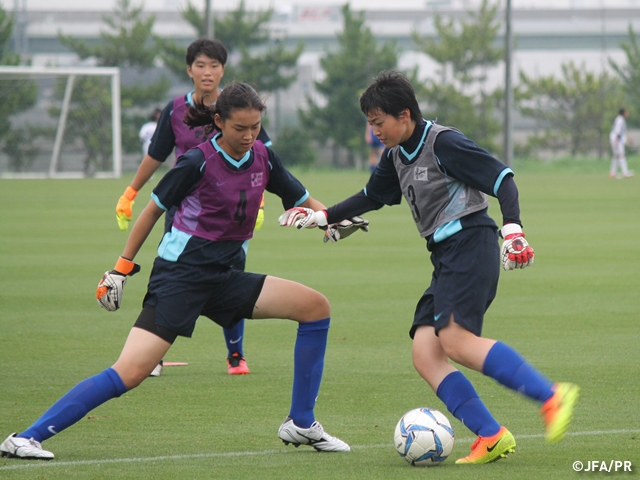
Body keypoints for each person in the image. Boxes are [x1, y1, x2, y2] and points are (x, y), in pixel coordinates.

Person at [0, 83, 350, 461]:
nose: (249, 136)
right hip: (180, 278)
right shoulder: (196, 162)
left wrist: (332, 220)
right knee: (131, 372)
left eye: (255, 127)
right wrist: (120, 270)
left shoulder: (263, 156)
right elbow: (152, 211)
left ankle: (300, 422)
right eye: (239, 128)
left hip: (224, 276)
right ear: (218, 122)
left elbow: (301, 200)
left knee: (315, 308)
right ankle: (27, 437)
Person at [280, 70, 580, 465]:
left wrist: (513, 230)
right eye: (370, 124)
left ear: (404, 115)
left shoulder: (444, 142)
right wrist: (321, 218)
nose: (375, 131)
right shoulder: (394, 156)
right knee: (425, 352)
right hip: (445, 256)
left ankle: (551, 396)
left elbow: (503, 177)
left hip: (471, 244)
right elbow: (370, 197)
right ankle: (491, 435)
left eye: (378, 122)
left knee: (456, 341)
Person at [116, 38, 271, 376]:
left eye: (214, 65)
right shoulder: (175, 110)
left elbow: (266, 157)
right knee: (167, 278)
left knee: (234, 278)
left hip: (231, 215)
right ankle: (151, 354)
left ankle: (235, 355)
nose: (207, 72)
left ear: (223, 70)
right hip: (183, 215)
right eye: (200, 65)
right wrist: (131, 192)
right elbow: (156, 156)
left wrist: (257, 202)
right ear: (189, 70)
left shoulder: (239, 107)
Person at [609, 108, 634, 179]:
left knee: (616, 156)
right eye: (627, 112)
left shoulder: (621, 120)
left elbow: (623, 132)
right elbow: (617, 131)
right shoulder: (620, 120)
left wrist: (629, 139)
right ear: (623, 113)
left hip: (617, 139)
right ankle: (625, 172)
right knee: (621, 155)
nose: (628, 114)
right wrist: (616, 142)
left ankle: (613, 172)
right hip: (617, 139)